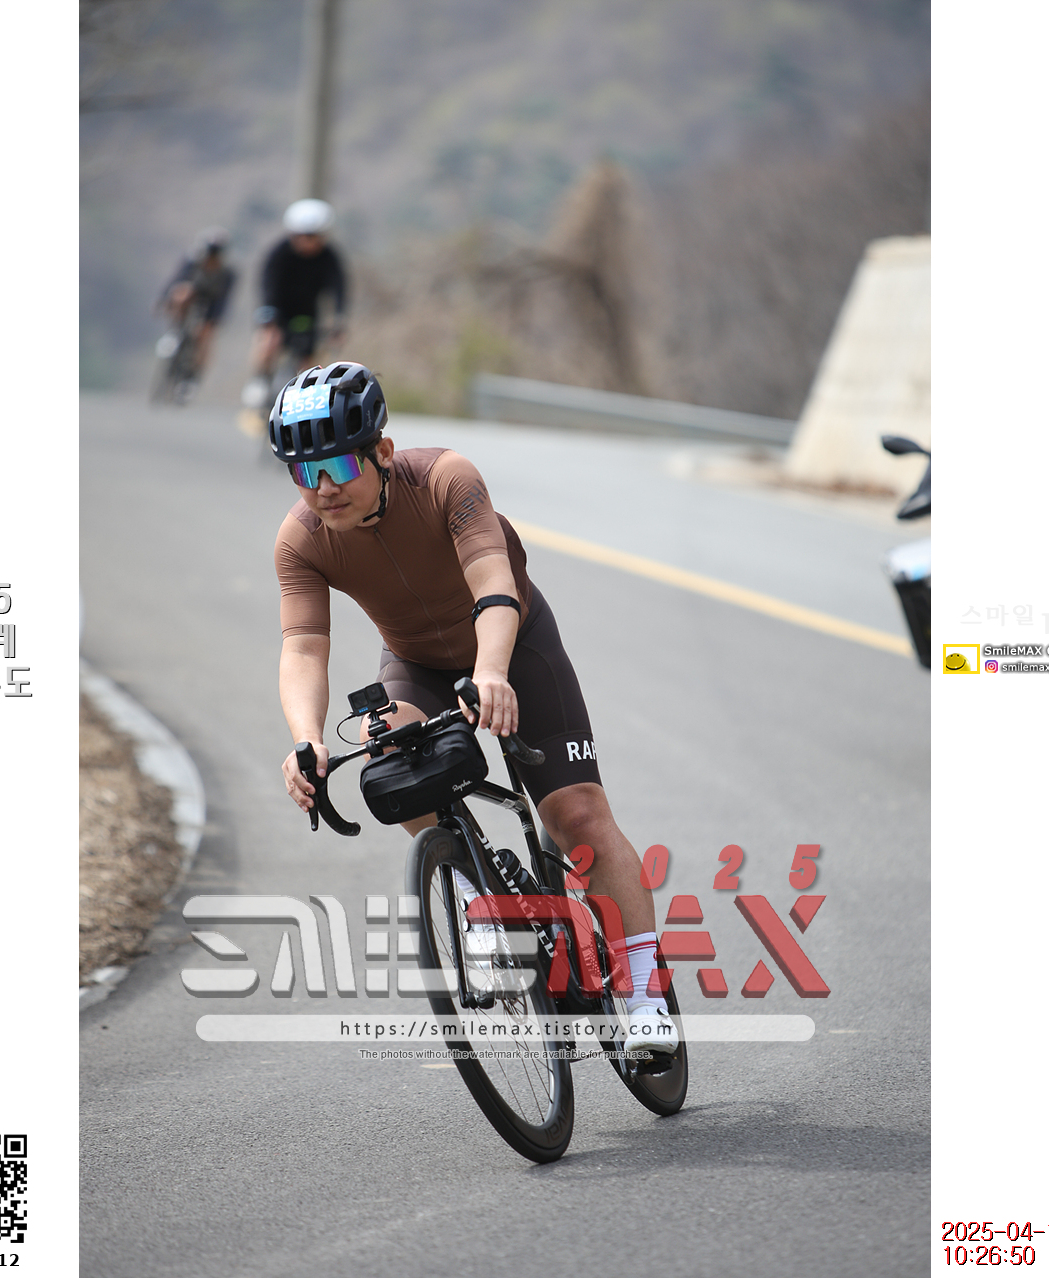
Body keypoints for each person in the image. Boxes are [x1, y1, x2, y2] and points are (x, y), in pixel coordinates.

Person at [272, 361, 678, 1056]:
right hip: (416, 662)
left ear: (382, 451)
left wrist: (491, 671)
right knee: (388, 759)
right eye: (304, 472)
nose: (323, 489)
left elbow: (492, 578)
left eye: (338, 465)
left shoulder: (445, 479)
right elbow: (304, 644)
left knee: (578, 816)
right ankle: (474, 896)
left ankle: (644, 995)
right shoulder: (301, 540)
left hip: (513, 640)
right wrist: (306, 738)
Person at [240, 199, 349, 413]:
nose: (307, 242)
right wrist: (268, 311)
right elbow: (268, 283)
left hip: (308, 313)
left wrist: (338, 318)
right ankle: (259, 379)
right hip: (278, 310)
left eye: (313, 236)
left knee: (308, 362)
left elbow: (339, 288)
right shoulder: (280, 253)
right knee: (269, 340)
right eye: (302, 236)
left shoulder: (329, 257)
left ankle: (302, 398)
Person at [156, 227, 236, 386]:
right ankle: (175, 332)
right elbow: (175, 281)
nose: (211, 259)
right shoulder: (191, 262)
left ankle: (193, 376)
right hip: (191, 296)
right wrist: (163, 300)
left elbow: (223, 299)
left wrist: (212, 321)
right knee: (183, 293)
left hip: (212, 301)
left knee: (205, 335)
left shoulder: (227, 272)